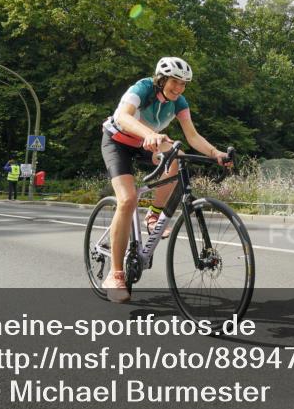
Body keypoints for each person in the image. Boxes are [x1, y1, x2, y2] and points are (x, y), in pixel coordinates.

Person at [99, 57, 231, 303]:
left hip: (147, 142)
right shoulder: (143, 88)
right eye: (174, 82)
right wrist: (150, 133)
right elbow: (123, 116)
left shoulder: (179, 102)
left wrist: (216, 154)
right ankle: (115, 275)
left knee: (177, 157)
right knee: (127, 200)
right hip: (118, 142)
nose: (179, 88)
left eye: (183, 84)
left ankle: (154, 213)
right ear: (161, 79)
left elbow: (192, 135)